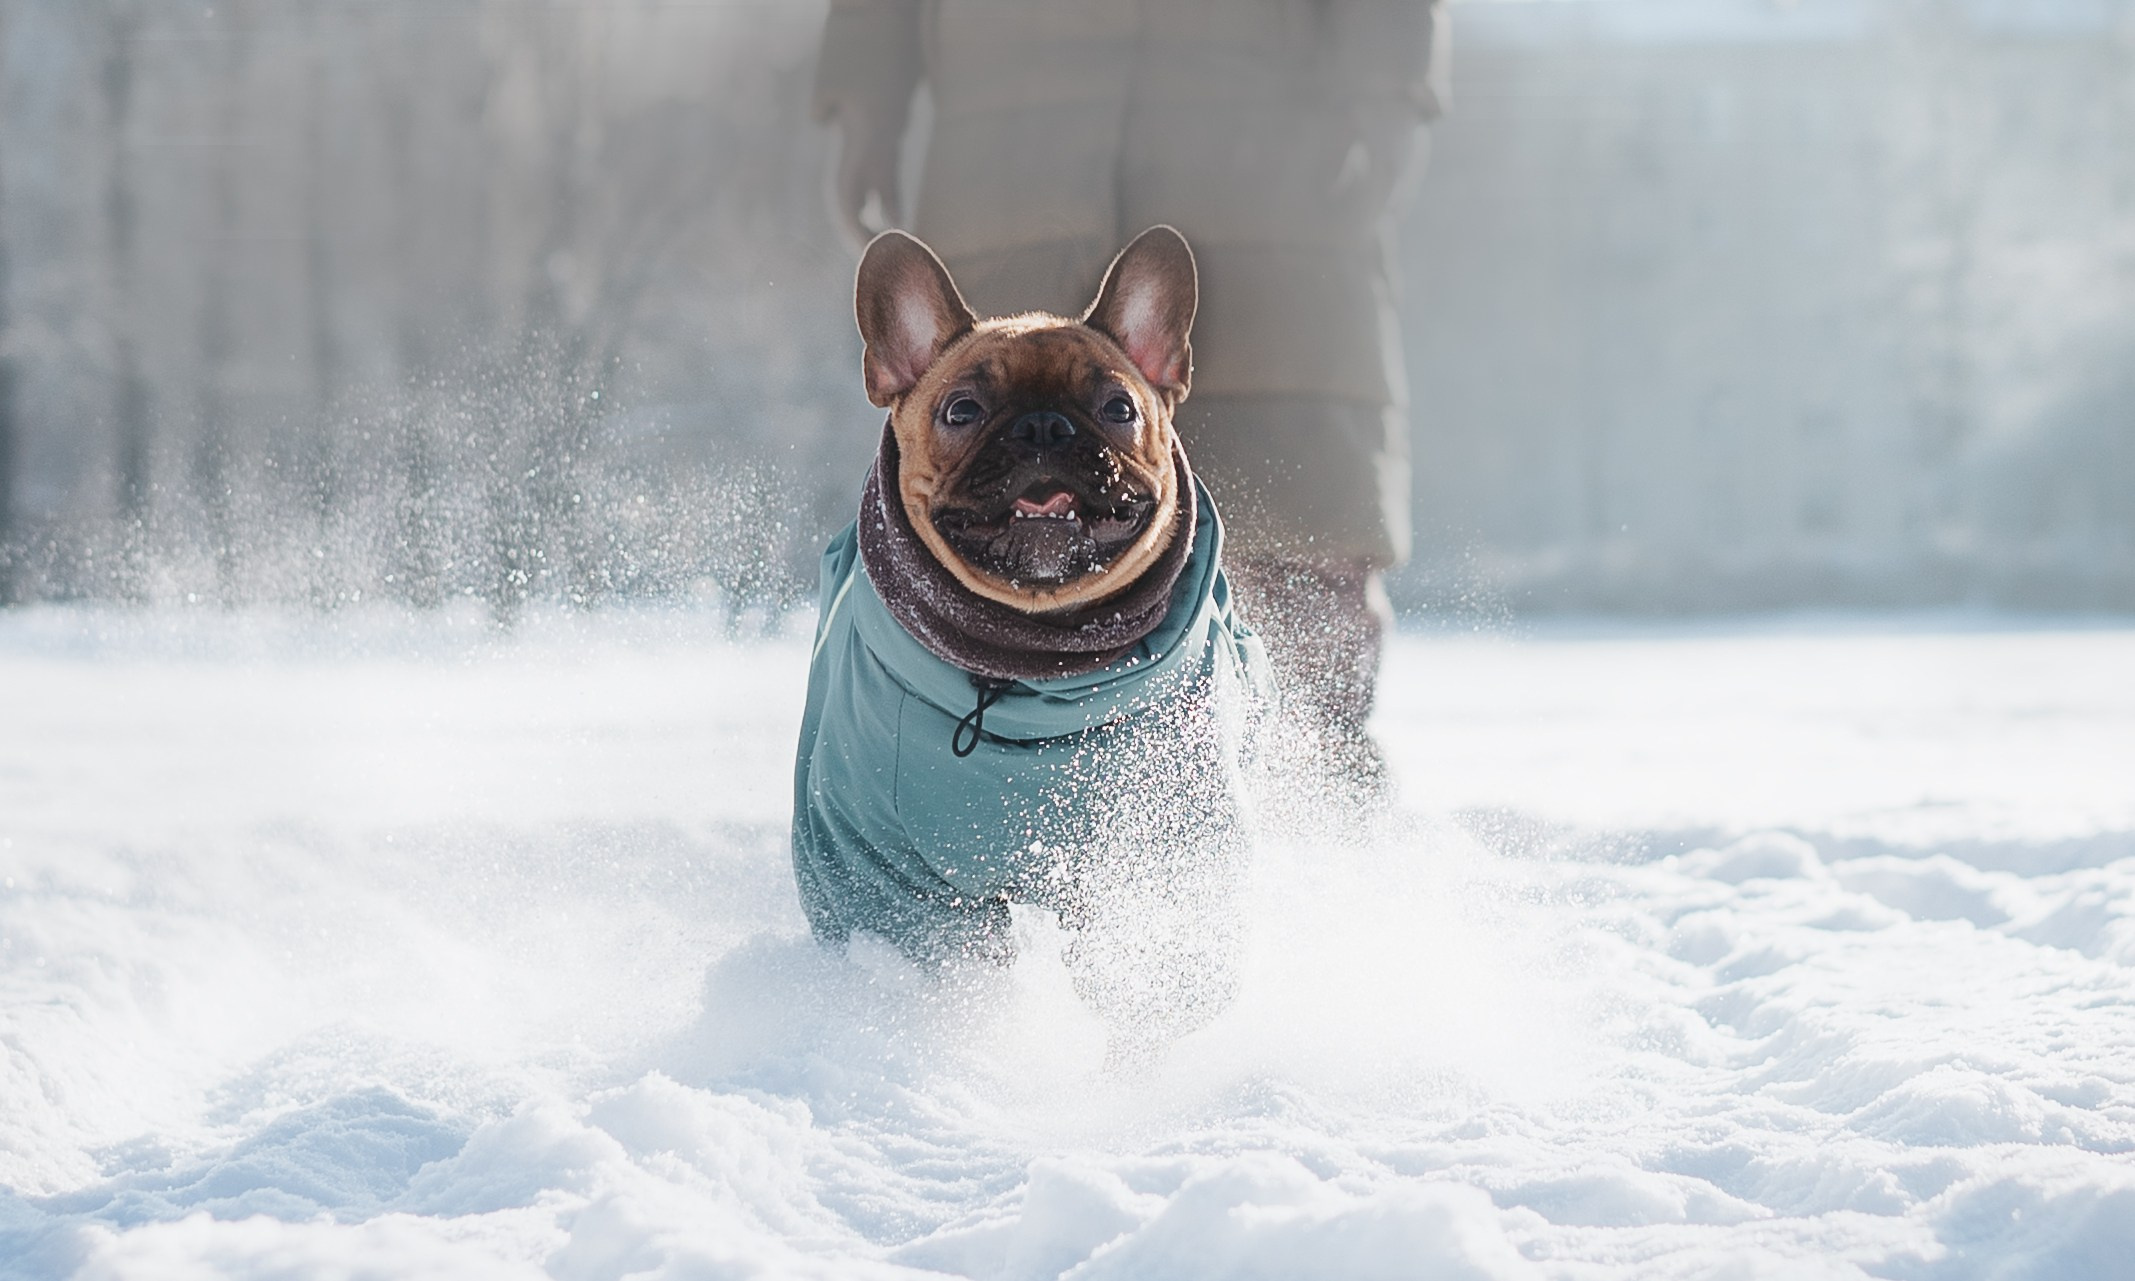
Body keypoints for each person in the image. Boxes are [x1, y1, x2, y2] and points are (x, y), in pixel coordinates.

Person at [814, 0, 1447, 801]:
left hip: (1270, 141)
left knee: (1302, 522)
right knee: (975, 545)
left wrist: (1394, 77)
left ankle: (1324, 839)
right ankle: (971, 863)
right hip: (1008, 142)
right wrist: (864, 88)